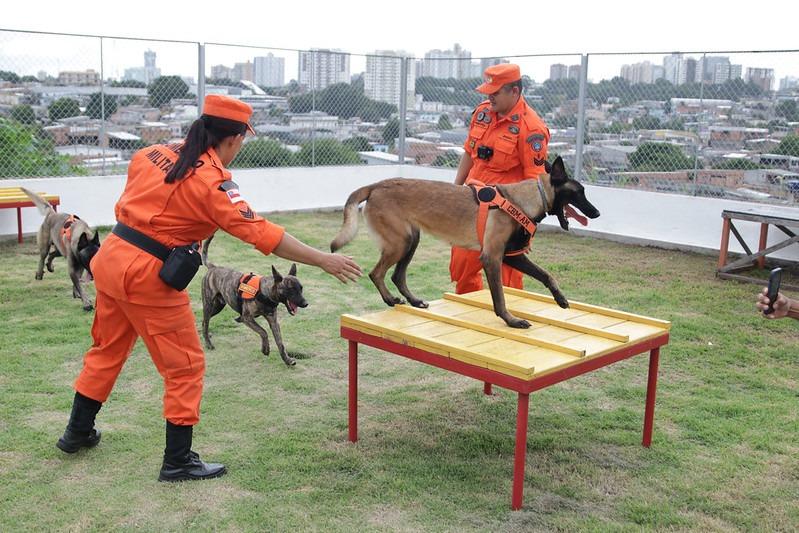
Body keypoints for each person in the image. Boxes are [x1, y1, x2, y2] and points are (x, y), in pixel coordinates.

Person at [56, 94, 362, 482]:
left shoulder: (151, 153)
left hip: (111, 260)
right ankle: (178, 461)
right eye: (242, 141)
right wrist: (323, 259)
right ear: (233, 139)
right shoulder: (212, 184)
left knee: (107, 349)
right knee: (185, 366)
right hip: (148, 276)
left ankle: (77, 432)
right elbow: (262, 233)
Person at [450, 63, 551, 294]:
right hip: (471, 207)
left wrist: (526, 229)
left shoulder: (531, 128)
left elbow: (535, 184)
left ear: (514, 91)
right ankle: (468, 311)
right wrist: (454, 192)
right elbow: (469, 153)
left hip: (505, 216)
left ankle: (509, 315)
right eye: (488, 92)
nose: (490, 97)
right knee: (463, 268)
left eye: (495, 92)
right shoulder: (483, 113)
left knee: (508, 282)